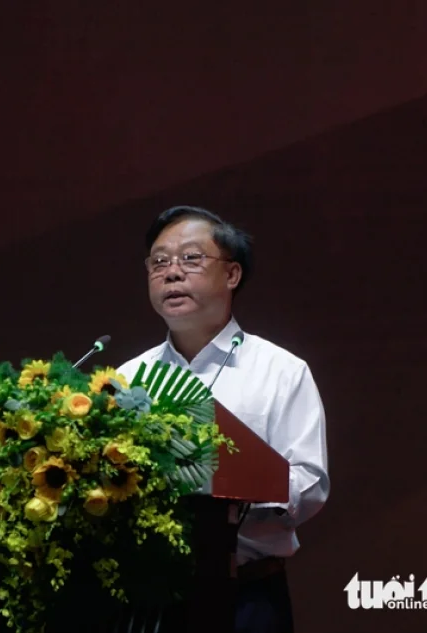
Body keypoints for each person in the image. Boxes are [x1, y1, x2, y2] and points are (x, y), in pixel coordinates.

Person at [115, 205, 330, 633]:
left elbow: (310, 483)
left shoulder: (281, 371)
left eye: (191, 258)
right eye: (159, 262)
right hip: (146, 601)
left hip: (245, 597)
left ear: (231, 274)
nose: (171, 273)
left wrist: (233, 489)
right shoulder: (126, 378)